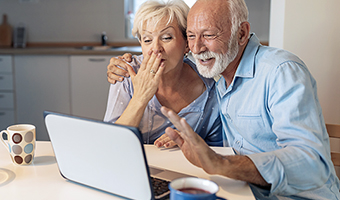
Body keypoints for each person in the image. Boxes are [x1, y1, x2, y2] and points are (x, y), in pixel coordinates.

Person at [107, 0, 340, 199]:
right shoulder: (218, 76)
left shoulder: (280, 71)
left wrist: (221, 163)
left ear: (241, 34)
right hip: (240, 191)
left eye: (208, 35)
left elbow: (312, 163)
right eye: (192, 36)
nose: (197, 48)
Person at [104, 0, 222, 147]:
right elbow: (109, 144)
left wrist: (191, 141)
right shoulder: (126, 72)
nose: (155, 48)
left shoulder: (211, 88)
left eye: (166, 38)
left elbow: (218, 149)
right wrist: (140, 98)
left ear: (187, 44)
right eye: (147, 40)